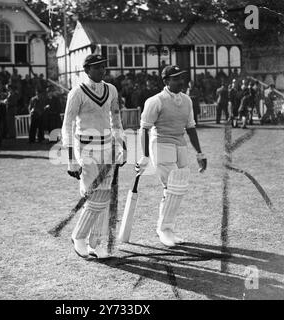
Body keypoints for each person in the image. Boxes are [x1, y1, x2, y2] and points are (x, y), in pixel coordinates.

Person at [61, 54, 126, 259]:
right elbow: (67, 125)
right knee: (94, 195)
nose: (101, 71)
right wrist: (71, 159)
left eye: (103, 67)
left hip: (107, 146)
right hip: (86, 147)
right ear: (87, 69)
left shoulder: (112, 90)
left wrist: (121, 146)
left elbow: (116, 120)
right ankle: (78, 237)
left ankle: (95, 243)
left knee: (105, 196)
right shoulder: (77, 92)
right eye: (96, 67)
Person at [136, 65, 207, 247]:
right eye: (175, 78)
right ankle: (164, 230)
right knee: (172, 187)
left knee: (179, 187)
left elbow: (190, 127)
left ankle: (167, 228)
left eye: (181, 77)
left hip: (180, 144)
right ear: (166, 81)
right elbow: (144, 128)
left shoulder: (187, 100)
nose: (180, 81)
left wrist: (200, 153)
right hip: (160, 143)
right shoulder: (155, 101)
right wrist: (144, 156)